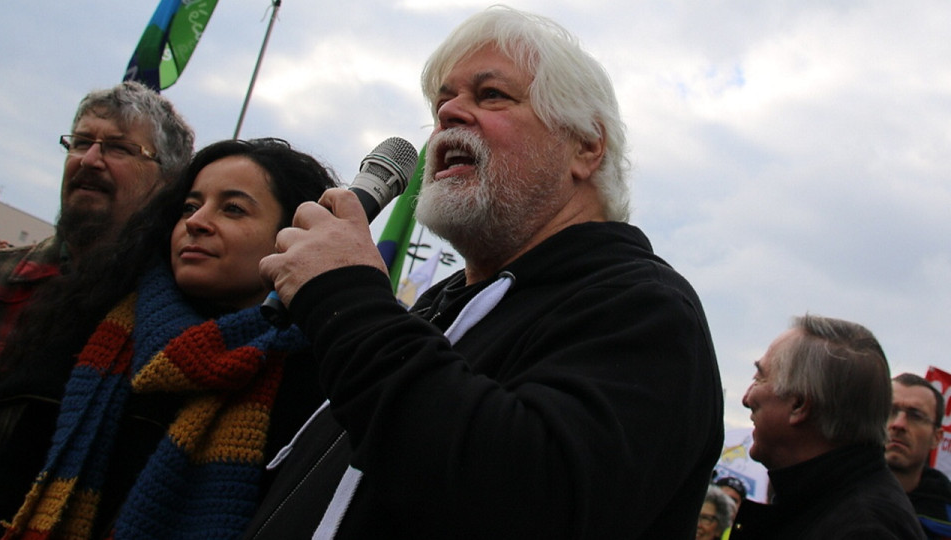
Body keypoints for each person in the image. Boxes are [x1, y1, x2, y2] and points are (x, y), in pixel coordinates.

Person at [248, 6, 722, 539]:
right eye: (442, 103)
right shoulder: (430, 312)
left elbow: (529, 501)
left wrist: (346, 301)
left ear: (587, 146)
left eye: (491, 94)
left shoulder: (645, 310)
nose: (450, 113)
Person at [0, 138, 338, 539]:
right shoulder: (84, 335)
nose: (196, 222)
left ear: (293, 238)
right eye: (189, 207)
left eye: (232, 209)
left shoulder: (322, 388)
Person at [0, 81, 194, 373]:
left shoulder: (176, 320)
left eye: (118, 148)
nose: (89, 160)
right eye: (81, 143)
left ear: (168, 181)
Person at [730, 315, 925, 539]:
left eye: (759, 378)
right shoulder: (832, 505)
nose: (746, 398)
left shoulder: (862, 530)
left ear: (799, 405)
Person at [887, 373, 951, 539]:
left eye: (915, 416)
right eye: (890, 411)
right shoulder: (835, 489)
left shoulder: (946, 518)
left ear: (936, 438)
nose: (898, 424)